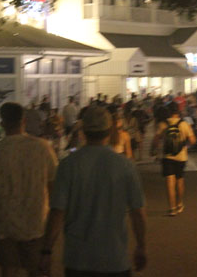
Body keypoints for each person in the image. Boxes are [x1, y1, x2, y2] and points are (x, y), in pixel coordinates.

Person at [40, 105, 147, 277]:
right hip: (114, 257)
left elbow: (57, 212)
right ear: (110, 129)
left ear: (83, 129)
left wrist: (47, 250)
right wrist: (141, 246)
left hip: (78, 258)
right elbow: (137, 211)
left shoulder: (69, 165)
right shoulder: (125, 165)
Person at [0, 103, 58, 277]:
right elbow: (53, 185)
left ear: (2, 123)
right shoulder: (42, 147)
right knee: (37, 270)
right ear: (23, 121)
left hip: (5, 223)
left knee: (9, 270)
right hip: (36, 221)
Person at [152, 102, 196, 216]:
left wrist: (154, 149)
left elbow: (156, 140)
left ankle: (171, 208)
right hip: (181, 157)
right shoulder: (184, 124)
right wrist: (185, 145)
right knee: (179, 180)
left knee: (169, 182)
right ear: (178, 111)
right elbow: (192, 141)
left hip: (168, 156)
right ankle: (179, 204)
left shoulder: (163, 124)